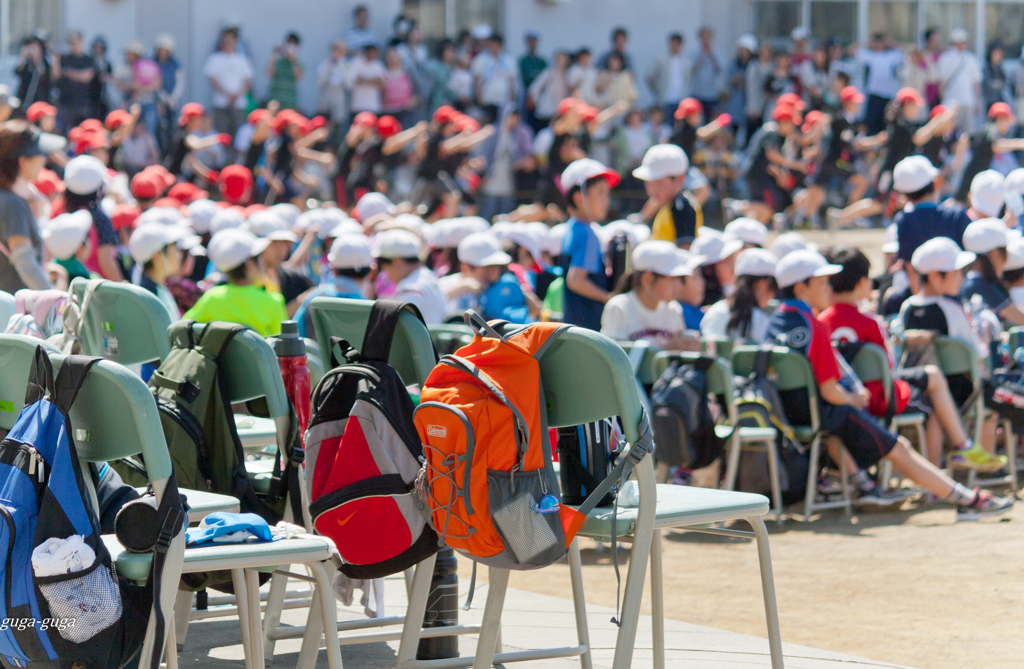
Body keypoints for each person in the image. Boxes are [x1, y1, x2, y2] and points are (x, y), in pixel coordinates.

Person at [769, 248, 1013, 519]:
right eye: (822, 282)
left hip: (789, 417)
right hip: (830, 414)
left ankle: (870, 487)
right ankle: (967, 499)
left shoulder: (776, 322)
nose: (829, 288)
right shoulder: (814, 326)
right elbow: (830, 390)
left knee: (895, 441)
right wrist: (853, 399)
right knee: (901, 449)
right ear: (802, 287)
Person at [820, 246, 997, 469]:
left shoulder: (823, 321)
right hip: (878, 397)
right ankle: (946, 466)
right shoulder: (870, 322)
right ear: (861, 283)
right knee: (931, 401)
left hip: (840, 398)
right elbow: (888, 365)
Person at [185, 228, 287, 336]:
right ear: (250, 264)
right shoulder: (273, 301)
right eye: (260, 257)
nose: (264, 262)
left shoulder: (212, 297)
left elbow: (183, 326)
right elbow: (284, 343)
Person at [601, 240, 699, 349]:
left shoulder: (674, 309)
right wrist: (667, 349)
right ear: (647, 279)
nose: (678, 284)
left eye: (679, 278)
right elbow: (614, 359)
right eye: (671, 278)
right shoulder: (619, 307)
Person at [560, 158, 619, 331]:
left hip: (574, 323)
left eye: (607, 193)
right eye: (600, 193)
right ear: (579, 197)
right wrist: (608, 297)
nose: (606, 200)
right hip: (588, 327)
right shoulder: (587, 233)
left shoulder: (573, 227)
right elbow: (576, 280)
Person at [0, 122, 62, 286]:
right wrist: (55, 301)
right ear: (23, 161)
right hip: (16, 307)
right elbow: (26, 264)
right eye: (40, 154)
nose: (44, 160)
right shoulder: (13, 204)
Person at [893, 155, 972, 268]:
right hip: (957, 282)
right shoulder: (957, 215)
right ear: (935, 184)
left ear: (904, 196)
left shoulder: (903, 221)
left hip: (923, 285)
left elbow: (909, 266)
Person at [294, 234, 372, 337]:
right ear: (371, 272)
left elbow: (295, 335)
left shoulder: (313, 299)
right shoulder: (371, 310)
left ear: (332, 268)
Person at [62, 154, 124, 281]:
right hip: (95, 288)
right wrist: (123, 287)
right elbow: (106, 261)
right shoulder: (100, 219)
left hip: (64, 281)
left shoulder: (59, 211)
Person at [700, 247, 776, 343]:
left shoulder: (713, 313)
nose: (773, 294)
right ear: (762, 285)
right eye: (774, 287)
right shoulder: (761, 320)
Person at [959, 217, 1024, 326]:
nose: (1007, 256)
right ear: (994, 254)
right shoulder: (980, 285)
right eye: (1005, 251)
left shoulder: (971, 281)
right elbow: (1019, 316)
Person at [372, 228, 445, 324]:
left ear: (396, 262)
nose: (386, 276)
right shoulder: (429, 276)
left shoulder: (409, 290)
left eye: (385, 269)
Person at [955, 103, 1024, 203]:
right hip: (975, 178)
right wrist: (1020, 143)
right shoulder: (992, 129)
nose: (1008, 126)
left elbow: (964, 138)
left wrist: (958, 161)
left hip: (972, 176)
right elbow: (996, 146)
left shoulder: (984, 129)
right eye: (1007, 121)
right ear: (1000, 119)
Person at [634, 144, 703, 244]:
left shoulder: (683, 208)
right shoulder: (666, 202)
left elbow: (685, 251)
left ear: (679, 179)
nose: (652, 190)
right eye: (648, 183)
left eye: (659, 184)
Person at [128, 222, 186, 321]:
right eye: (175, 250)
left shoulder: (156, 287)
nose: (179, 255)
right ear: (157, 257)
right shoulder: (151, 298)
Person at [203, 27, 253, 139]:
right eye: (225, 40)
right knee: (221, 135)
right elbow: (213, 80)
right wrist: (227, 94)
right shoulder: (214, 59)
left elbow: (247, 81)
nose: (228, 43)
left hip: (238, 104)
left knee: (238, 136)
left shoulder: (242, 60)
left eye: (230, 40)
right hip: (220, 103)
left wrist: (236, 95)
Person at [854, 34, 905, 135]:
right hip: (873, 94)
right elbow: (852, 51)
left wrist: (890, 42)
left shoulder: (891, 55)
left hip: (887, 94)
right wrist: (868, 42)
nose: (879, 44)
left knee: (885, 124)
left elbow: (905, 50)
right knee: (871, 124)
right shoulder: (869, 55)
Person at [937, 29, 983, 133]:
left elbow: (976, 83)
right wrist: (943, 101)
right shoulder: (945, 58)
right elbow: (941, 83)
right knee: (949, 132)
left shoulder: (971, 59)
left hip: (968, 101)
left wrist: (977, 101)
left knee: (967, 133)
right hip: (950, 102)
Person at [54, 30, 97, 132]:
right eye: (70, 43)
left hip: (82, 105)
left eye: (75, 42)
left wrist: (68, 72)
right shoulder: (64, 58)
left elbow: (86, 77)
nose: (72, 45)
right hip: (65, 104)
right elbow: (55, 76)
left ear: (81, 41)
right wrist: (55, 58)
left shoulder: (88, 59)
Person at [691, 228, 743, 305]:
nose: (733, 266)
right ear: (709, 269)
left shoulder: (726, 294)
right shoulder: (696, 306)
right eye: (727, 262)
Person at [471, 35, 516, 123]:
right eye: (492, 44)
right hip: (487, 100)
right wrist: (479, 98)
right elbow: (476, 80)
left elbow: (511, 81)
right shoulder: (481, 59)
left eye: (497, 45)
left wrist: (511, 98)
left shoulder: (509, 60)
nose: (494, 47)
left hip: (503, 100)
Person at [648, 34, 688, 120]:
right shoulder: (661, 59)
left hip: (680, 100)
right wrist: (657, 92)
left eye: (677, 44)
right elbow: (650, 77)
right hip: (665, 100)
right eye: (673, 43)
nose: (675, 46)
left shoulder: (686, 61)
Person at [527, 51, 570, 130]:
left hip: (558, 114)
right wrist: (539, 103)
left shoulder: (567, 76)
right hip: (545, 114)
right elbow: (534, 88)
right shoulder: (548, 73)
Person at [690, 27, 722, 116]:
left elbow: (719, 70)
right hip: (697, 92)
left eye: (708, 37)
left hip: (713, 94)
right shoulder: (694, 52)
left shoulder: (718, 52)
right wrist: (701, 55)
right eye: (704, 37)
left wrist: (711, 55)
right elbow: (692, 71)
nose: (706, 39)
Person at [267, 32, 303, 111]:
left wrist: (292, 59)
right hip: (275, 103)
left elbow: (298, 76)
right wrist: (274, 55)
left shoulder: (298, 64)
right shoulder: (278, 62)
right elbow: (269, 73)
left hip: (290, 103)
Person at [15, 35, 53, 110]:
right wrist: (23, 56)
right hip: (24, 98)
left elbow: (44, 75)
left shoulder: (45, 63)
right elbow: (17, 72)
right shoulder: (26, 64)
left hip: (40, 99)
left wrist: (37, 59)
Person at [347, 44, 386, 115]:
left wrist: (364, 79)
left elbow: (382, 84)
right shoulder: (355, 63)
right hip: (357, 106)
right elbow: (353, 81)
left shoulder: (378, 65)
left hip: (374, 106)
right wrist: (373, 80)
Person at [316, 41, 348, 124]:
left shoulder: (347, 65)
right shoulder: (324, 64)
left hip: (338, 100)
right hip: (325, 101)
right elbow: (320, 82)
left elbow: (348, 84)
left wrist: (340, 65)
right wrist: (330, 66)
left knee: (337, 124)